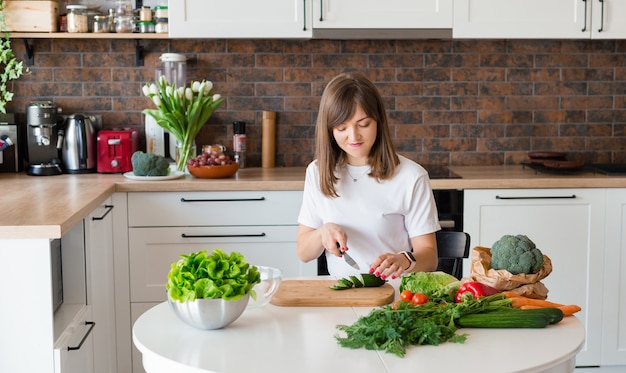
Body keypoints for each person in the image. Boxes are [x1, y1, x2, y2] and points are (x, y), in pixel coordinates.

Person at [296, 72, 441, 280]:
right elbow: (303, 253)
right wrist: (322, 233)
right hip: (342, 294)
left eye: (363, 124)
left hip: (395, 294)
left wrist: (404, 260)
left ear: (378, 121)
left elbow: (430, 256)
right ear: (329, 129)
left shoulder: (411, 176)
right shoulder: (317, 172)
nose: (353, 136)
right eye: (342, 127)